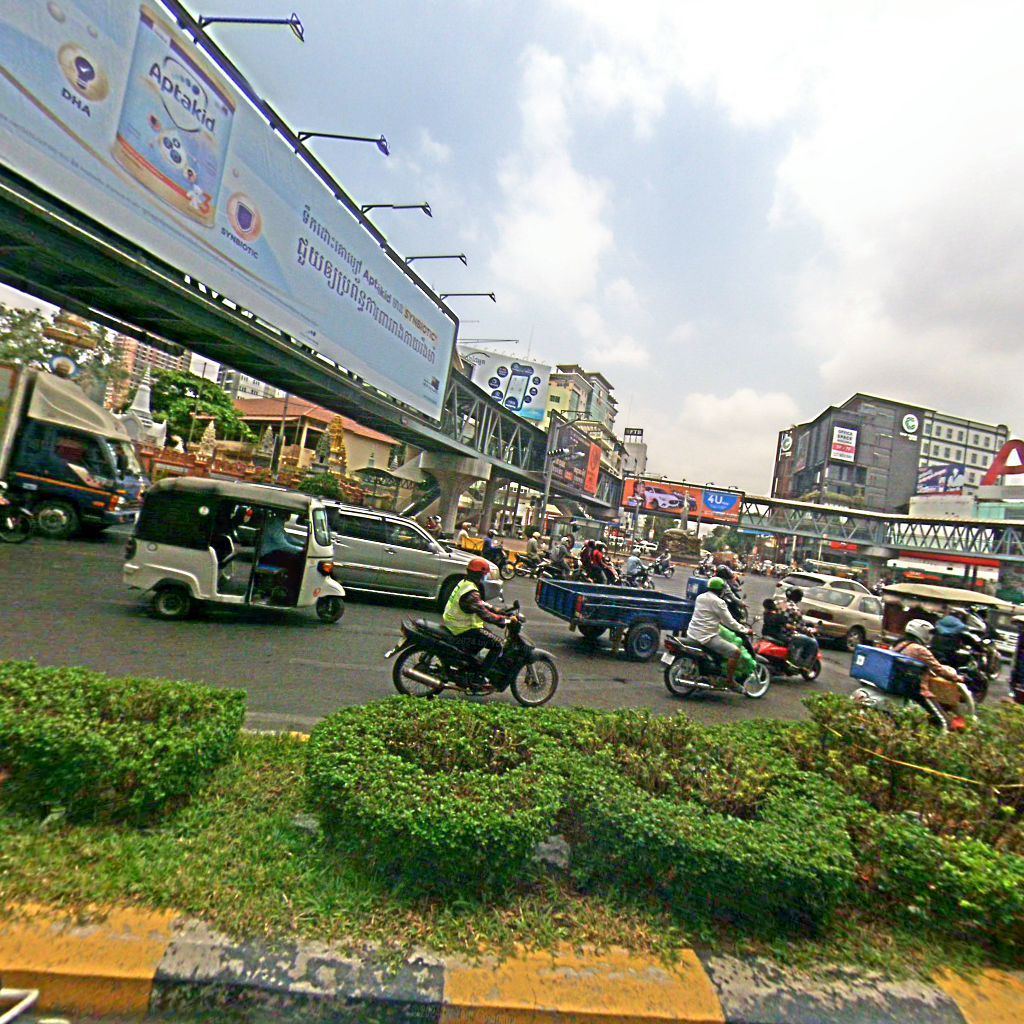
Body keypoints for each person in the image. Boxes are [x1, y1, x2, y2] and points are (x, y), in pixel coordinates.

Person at [442, 557, 509, 677]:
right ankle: (479, 676)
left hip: (454, 623)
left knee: (485, 635)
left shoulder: (464, 583)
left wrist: (497, 610)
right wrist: (503, 621)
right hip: (462, 627)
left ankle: (467, 667)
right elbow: (485, 614)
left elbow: (479, 604)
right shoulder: (472, 592)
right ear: (479, 574)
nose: (484, 577)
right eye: (484, 575)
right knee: (497, 645)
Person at [686, 576, 749, 687]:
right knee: (735, 652)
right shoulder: (719, 602)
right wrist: (745, 630)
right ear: (720, 590)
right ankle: (730, 681)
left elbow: (707, 614)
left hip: (692, 633)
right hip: (706, 637)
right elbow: (730, 622)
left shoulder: (700, 597)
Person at [893, 619, 965, 708]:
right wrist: (957, 677)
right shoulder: (920, 650)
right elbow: (938, 669)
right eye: (929, 633)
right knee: (939, 714)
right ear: (921, 632)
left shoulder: (900, 644)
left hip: (900, 682)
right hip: (915, 689)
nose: (931, 636)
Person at [256, 509, 306, 601]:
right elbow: (282, 545)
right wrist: (300, 550)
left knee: (296, 560)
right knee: (296, 563)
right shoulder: (274, 524)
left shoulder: (278, 522)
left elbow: (287, 537)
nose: (290, 515)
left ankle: (288, 586)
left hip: (273, 552)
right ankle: (289, 589)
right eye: (288, 513)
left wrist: (303, 544)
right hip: (267, 555)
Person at [775, 588, 819, 668]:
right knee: (812, 642)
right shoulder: (794, 609)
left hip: (773, 631)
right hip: (786, 634)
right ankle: (804, 665)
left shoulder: (777, 603)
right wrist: (809, 630)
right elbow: (801, 626)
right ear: (799, 598)